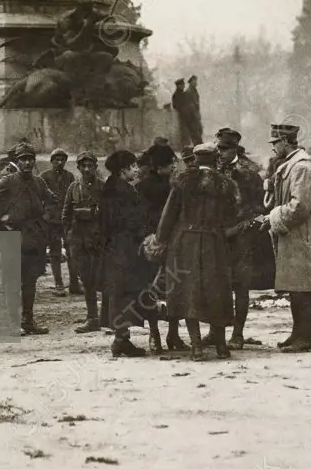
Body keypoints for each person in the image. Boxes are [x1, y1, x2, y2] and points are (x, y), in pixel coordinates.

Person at [258, 122, 311, 353]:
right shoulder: (290, 166)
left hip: (303, 237)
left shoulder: (300, 168)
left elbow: (300, 206)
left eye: (275, 143)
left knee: (303, 288)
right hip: (294, 236)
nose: (273, 148)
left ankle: (306, 337)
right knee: (296, 288)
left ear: (285, 142)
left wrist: (272, 217)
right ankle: (298, 334)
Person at [155, 142, 237, 360]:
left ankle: (196, 347)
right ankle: (221, 346)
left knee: (189, 292)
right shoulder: (225, 185)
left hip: (185, 243)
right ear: (214, 158)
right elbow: (231, 217)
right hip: (214, 243)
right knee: (216, 291)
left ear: (195, 159)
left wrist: (159, 241)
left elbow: (168, 215)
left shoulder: (182, 182)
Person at [0, 142, 59, 335]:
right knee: (12, 281)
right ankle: (13, 323)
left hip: (33, 237)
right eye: (23, 159)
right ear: (17, 161)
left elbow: (52, 201)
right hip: (11, 237)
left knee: (30, 280)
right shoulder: (7, 181)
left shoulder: (39, 182)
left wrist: (44, 220)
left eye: (30, 159)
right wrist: (0, 218)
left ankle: (28, 320)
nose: (27, 163)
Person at [99, 149, 159, 358]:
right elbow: (128, 220)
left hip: (116, 248)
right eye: (133, 166)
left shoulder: (112, 188)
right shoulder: (121, 192)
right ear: (124, 170)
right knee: (124, 293)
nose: (136, 170)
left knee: (119, 293)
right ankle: (121, 340)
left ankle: (121, 338)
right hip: (125, 248)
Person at [215, 128, 265, 350]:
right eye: (218, 147)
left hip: (242, 235)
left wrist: (245, 225)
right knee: (215, 284)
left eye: (224, 148)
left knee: (240, 285)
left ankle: (238, 333)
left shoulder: (249, 172)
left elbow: (258, 205)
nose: (220, 152)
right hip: (218, 234)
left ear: (235, 149)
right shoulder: (214, 168)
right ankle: (215, 331)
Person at [136, 142, 186, 352]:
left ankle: (160, 335)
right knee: (169, 289)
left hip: (154, 244)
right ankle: (165, 334)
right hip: (160, 244)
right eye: (170, 163)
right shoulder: (166, 187)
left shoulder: (170, 185)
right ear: (159, 166)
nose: (174, 166)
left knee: (156, 290)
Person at [63, 151, 103, 332]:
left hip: (98, 240)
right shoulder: (73, 187)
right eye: (83, 166)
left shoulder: (103, 187)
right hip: (78, 240)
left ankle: (107, 317)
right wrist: (68, 236)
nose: (87, 169)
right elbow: (66, 214)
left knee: (102, 279)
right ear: (78, 168)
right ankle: (92, 317)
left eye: (90, 166)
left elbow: (109, 214)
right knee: (86, 280)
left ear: (96, 167)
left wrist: (91, 214)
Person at [40, 148, 78, 296]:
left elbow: (74, 197)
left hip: (67, 220)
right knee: (55, 253)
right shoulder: (44, 177)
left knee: (71, 252)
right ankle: (58, 284)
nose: (59, 162)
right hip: (52, 220)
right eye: (56, 159)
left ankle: (74, 283)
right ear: (51, 161)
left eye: (62, 160)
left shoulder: (70, 177)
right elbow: (40, 198)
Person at [184, 75, 204, 144]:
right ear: (190, 82)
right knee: (196, 135)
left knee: (200, 131)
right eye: (194, 81)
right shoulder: (188, 92)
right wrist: (194, 115)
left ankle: (198, 147)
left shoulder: (195, 91)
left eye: (196, 81)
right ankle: (199, 149)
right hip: (192, 118)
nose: (196, 82)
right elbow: (189, 106)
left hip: (196, 116)